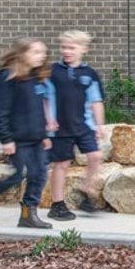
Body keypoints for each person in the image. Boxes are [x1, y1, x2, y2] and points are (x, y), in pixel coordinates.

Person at [0, 37, 56, 229]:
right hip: (17, 141)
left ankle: (28, 215)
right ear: (23, 53)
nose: (42, 57)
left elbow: (36, 110)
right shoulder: (8, 78)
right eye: (36, 52)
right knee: (19, 176)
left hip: (36, 139)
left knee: (39, 175)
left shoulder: (36, 78)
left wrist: (44, 135)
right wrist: (6, 139)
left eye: (43, 53)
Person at [45, 30, 108, 221]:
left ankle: (85, 190)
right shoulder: (52, 71)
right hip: (60, 127)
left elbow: (96, 101)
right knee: (62, 164)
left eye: (71, 47)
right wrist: (48, 119)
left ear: (84, 49)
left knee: (95, 156)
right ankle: (57, 204)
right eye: (64, 47)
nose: (66, 51)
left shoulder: (89, 74)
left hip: (84, 125)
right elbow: (44, 98)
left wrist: (99, 125)